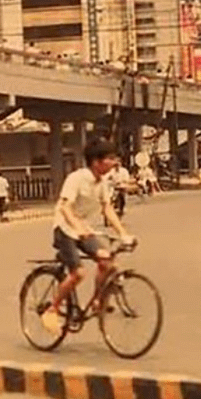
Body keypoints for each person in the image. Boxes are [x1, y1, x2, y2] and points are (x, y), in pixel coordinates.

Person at [40, 140, 136, 333]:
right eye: (109, 158)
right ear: (95, 161)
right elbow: (65, 207)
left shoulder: (102, 183)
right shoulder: (76, 178)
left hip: (84, 229)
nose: (114, 162)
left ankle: (98, 301)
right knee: (79, 273)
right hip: (65, 229)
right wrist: (78, 229)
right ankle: (52, 309)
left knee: (108, 263)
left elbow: (107, 208)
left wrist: (123, 234)